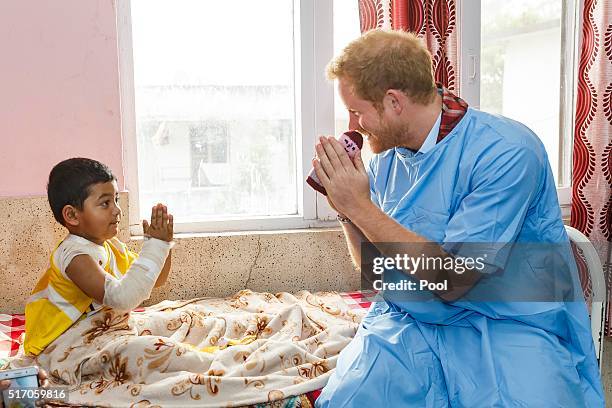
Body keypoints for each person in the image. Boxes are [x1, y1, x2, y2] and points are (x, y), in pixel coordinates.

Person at [313, 29, 604, 407]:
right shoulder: (386, 161)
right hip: (412, 320)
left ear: (394, 102)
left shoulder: (507, 152)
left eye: (357, 110)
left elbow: (455, 280)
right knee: (349, 401)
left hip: (509, 323)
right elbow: (375, 272)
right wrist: (346, 209)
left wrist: (360, 206)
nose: (353, 122)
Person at [24, 158, 174, 356]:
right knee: (156, 351)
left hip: (104, 333)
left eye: (116, 200)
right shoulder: (74, 257)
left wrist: (163, 245)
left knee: (182, 320)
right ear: (72, 216)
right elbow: (123, 298)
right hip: (67, 345)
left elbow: (156, 280)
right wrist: (154, 247)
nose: (117, 210)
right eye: (105, 203)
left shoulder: (111, 246)